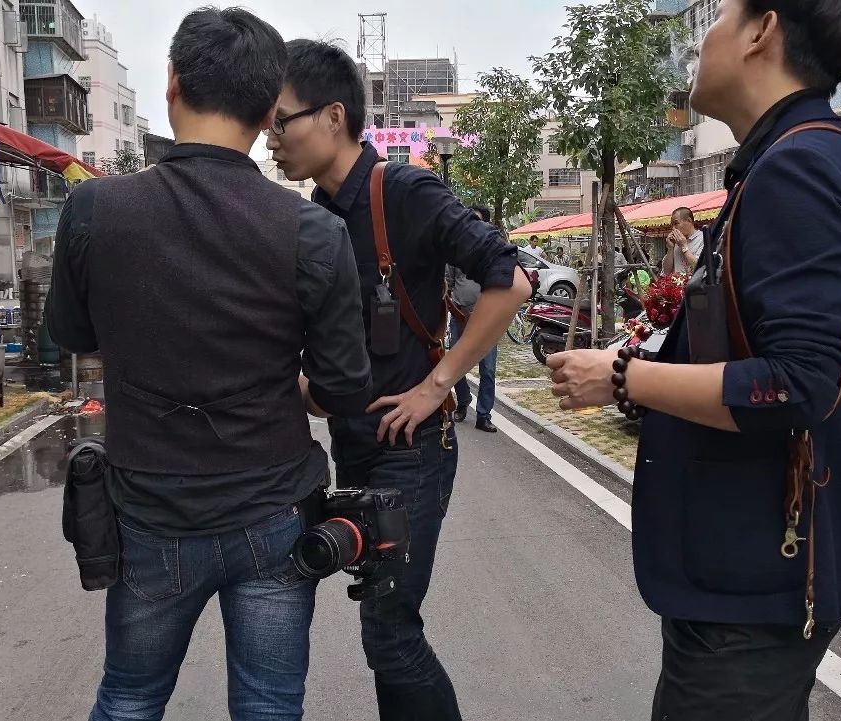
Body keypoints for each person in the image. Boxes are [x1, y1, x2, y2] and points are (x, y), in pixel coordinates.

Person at [545, 1, 841, 718]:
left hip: (756, 579)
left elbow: (795, 384)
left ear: (762, 29)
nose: (706, 35)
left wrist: (620, 377)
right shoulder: (796, 156)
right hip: (751, 570)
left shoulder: (799, 168)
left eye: (722, 12)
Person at [46, 9, 372, 720]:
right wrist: (293, 386)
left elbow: (70, 334)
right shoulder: (312, 231)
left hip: (150, 511)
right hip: (275, 514)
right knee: (268, 703)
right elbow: (347, 387)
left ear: (171, 83)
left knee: (129, 696)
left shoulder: (94, 209)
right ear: (266, 113)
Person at [266, 39, 531, 720]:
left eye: (280, 121)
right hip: (353, 448)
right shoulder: (316, 218)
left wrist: (437, 383)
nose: (271, 139)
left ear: (332, 116)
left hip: (411, 451)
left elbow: (512, 281)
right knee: (380, 628)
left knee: (391, 630)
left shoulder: (405, 190)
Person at [447, 205, 500, 433]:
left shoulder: (495, 251)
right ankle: (463, 401)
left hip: (487, 321)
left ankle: (484, 415)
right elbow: (447, 284)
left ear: (487, 225)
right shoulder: (456, 250)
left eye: (476, 221)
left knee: (487, 369)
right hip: (460, 317)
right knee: (456, 366)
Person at [663, 206, 703, 276]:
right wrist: (670, 248)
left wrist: (684, 247)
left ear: (689, 220)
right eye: (672, 225)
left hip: (693, 286)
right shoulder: (675, 242)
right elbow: (666, 272)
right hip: (676, 285)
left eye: (676, 223)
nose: (673, 228)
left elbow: (699, 268)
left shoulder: (703, 239)